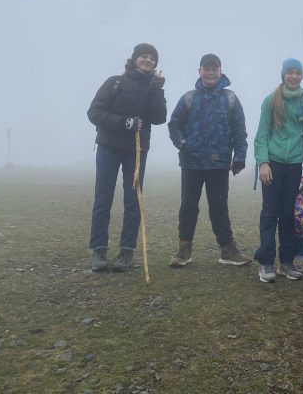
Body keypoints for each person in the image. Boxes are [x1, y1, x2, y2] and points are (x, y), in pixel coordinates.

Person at [87, 43, 167, 272]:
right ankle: (99, 251)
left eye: (152, 58)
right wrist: (124, 123)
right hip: (109, 147)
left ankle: (126, 252)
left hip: (137, 150)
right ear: (134, 59)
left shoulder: (154, 87)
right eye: (144, 56)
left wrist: (157, 89)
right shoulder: (115, 82)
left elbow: (159, 118)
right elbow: (94, 112)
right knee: (103, 198)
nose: (148, 60)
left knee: (133, 201)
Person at [167, 53, 250, 267]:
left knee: (219, 207)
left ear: (220, 71)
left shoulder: (230, 98)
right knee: (188, 206)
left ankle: (227, 250)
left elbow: (240, 131)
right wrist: (184, 145)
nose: (211, 72)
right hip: (191, 163)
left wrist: (240, 156)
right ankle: (183, 251)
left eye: (214, 68)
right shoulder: (189, 98)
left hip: (219, 163)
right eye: (207, 68)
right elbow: (174, 124)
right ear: (200, 71)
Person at [253, 58, 303, 283]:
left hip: (294, 167)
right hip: (273, 165)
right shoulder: (270, 101)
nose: (294, 76)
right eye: (290, 72)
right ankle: (266, 262)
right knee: (270, 213)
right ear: (283, 75)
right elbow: (261, 136)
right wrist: (263, 163)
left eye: (298, 72)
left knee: (290, 214)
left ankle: (286, 263)